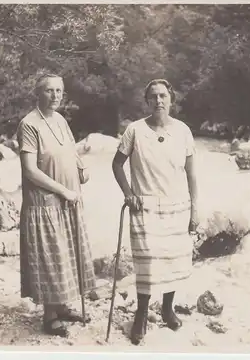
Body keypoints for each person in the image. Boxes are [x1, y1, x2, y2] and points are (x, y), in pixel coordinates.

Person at [112, 79, 199, 345]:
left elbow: (192, 174)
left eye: (163, 96)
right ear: (147, 101)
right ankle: (141, 313)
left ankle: (167, 309)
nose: (158, 101)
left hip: (176, 205)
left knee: (173, 260)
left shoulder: (183, 131)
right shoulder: (135, 130)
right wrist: (129, 193)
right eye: (153, 97)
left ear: (171, 99)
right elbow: (117, 165)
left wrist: (195, 210)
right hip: (145, 205)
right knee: (147, 263)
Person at [16, 74, 96, 338]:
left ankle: (61, 307)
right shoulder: (29, 124)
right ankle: (49, 317)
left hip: (69, 199)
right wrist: (63, 190)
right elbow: (29, 170)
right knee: (52, 256)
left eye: (59, 91)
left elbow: (71, 151)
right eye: (49, 91)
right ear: (38, 94)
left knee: (68, 252)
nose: (55, 95)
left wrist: (81, 169)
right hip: (46, 203)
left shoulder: (60, 120)